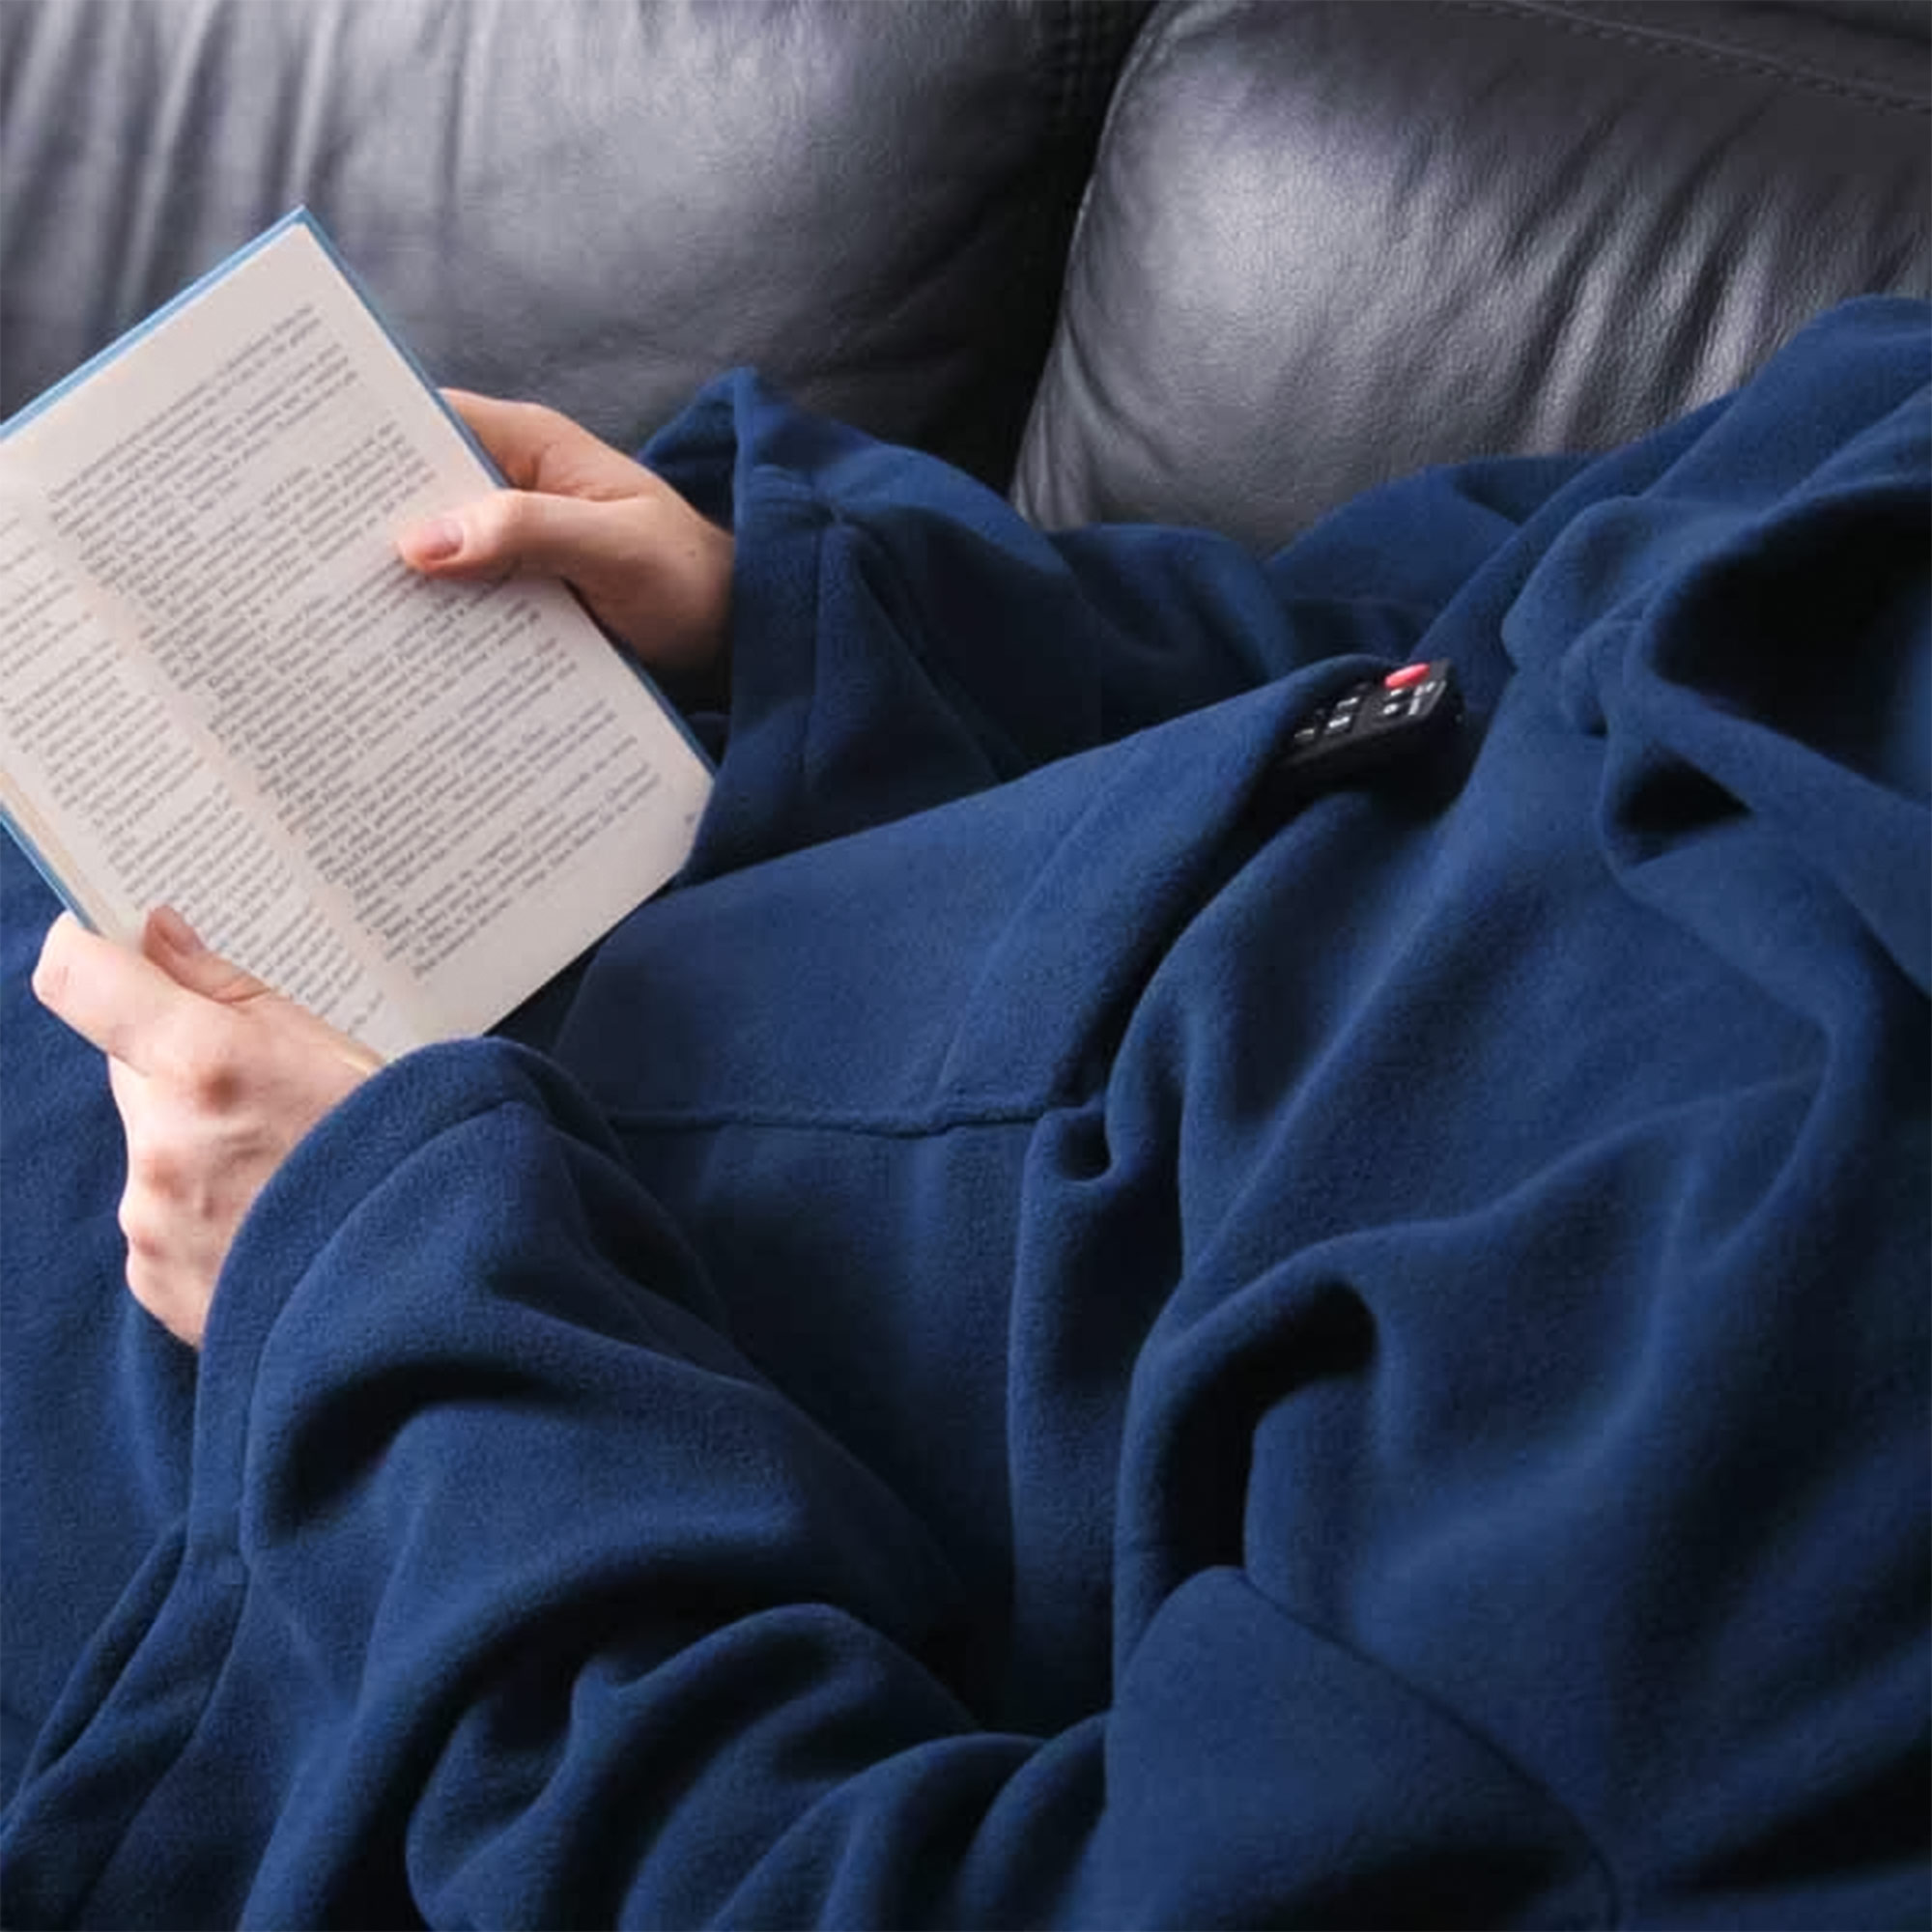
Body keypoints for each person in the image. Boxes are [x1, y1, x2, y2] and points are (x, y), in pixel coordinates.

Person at [3, 299, 1926, 1928]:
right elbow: (1408, 644)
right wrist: (770, 615)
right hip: (630, 918)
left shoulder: (1806, 1455)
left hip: (387, 1497)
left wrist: (366, 1300)